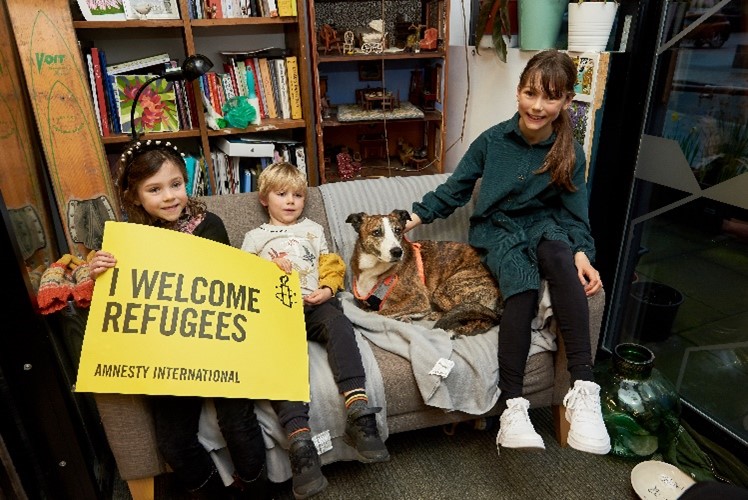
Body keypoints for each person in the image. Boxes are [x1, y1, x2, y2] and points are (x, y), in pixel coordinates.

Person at [404, 50, 611, 456]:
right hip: (497, 231)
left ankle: (584, 389)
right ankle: (513, 407)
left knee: (560, 256)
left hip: (544, 226)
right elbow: (456, 189)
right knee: (522, 284)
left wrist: (583, 253)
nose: (538, 106)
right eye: (531, 93)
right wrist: (414, 216)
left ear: (566, 102)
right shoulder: (492, 140)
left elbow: (574, 214)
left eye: (550, 98)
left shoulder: (571, 153)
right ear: (518, 92)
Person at [88, 140, 269, 499]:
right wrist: (101, 274)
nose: (169, 196)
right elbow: (122, 299)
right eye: (154, 189)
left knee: (237, 422)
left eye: (175, 185)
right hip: (166, 355)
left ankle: (257, 490)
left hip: (217, 346)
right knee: (173, 441)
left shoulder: (209, 224)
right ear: (135, 197)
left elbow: (224, 282)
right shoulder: (126, 241)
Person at [241, 162, 389, 499]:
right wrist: (267, 267)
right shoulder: (256, 237)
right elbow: (241, 273)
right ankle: (300, 441)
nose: (291, 201)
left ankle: (358, 410)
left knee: (339, 324)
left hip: (317, 303)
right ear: (265, 199)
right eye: (282, 194)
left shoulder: (314, 229)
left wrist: (328, 288)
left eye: (297, 195)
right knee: (279, 353)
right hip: (279, 308)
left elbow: (331, 264)